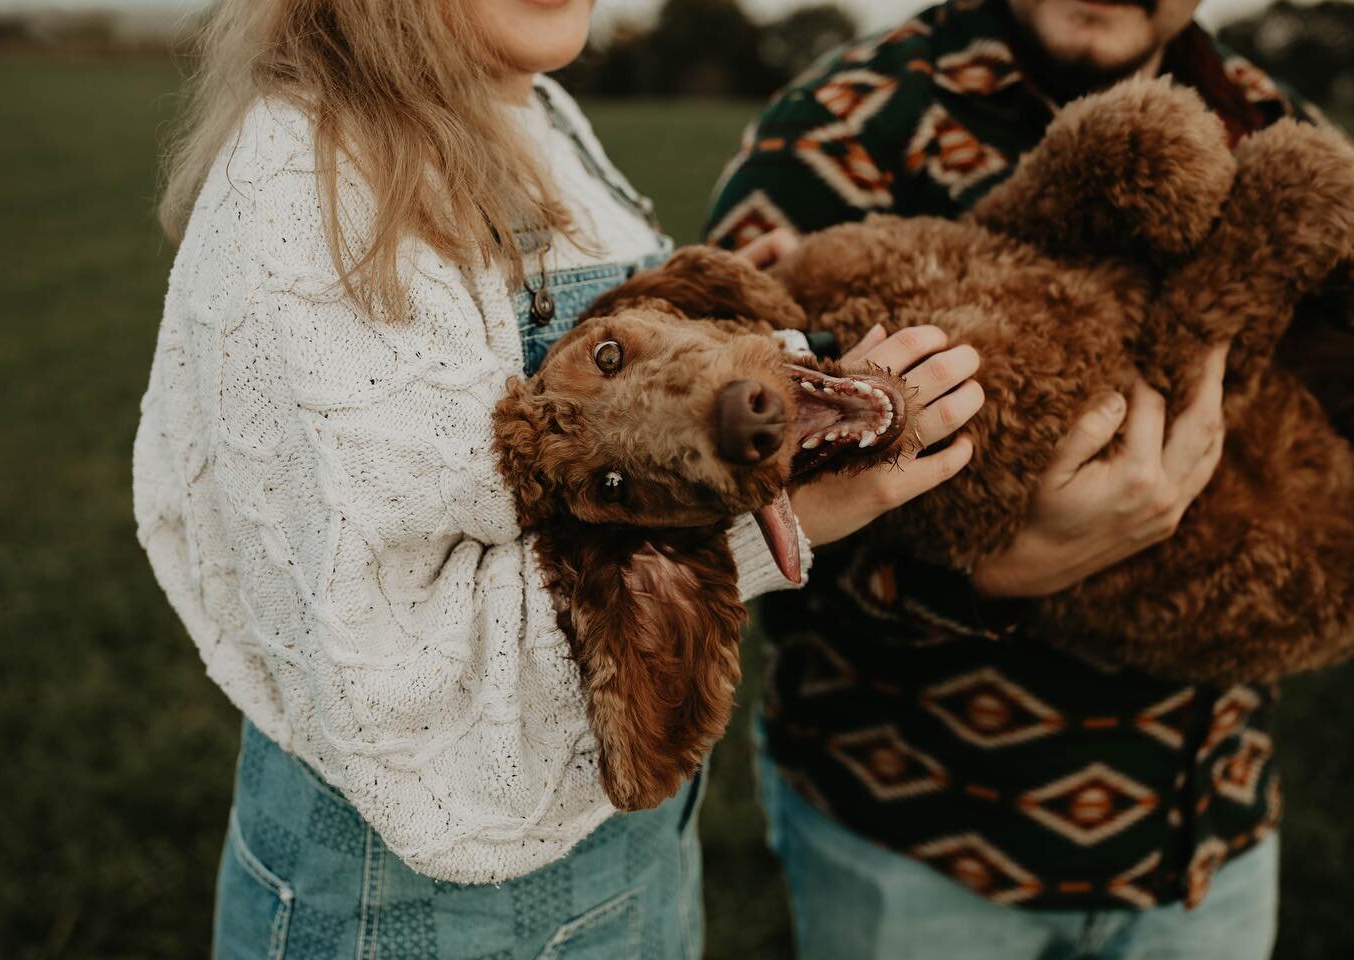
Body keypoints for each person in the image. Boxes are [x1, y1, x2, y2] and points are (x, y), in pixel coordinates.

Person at [134, 1, 983, 957]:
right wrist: (764, 533)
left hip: (628, 874)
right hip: (415, 919)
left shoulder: (537, 111)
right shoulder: (320, 172)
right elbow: (394, 677)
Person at [706, 1, 1332, 958]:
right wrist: (991, 577)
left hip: (1209, 832)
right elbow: (718, 504)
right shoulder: (834, 128)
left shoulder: (1279, 125)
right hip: (916, 849)